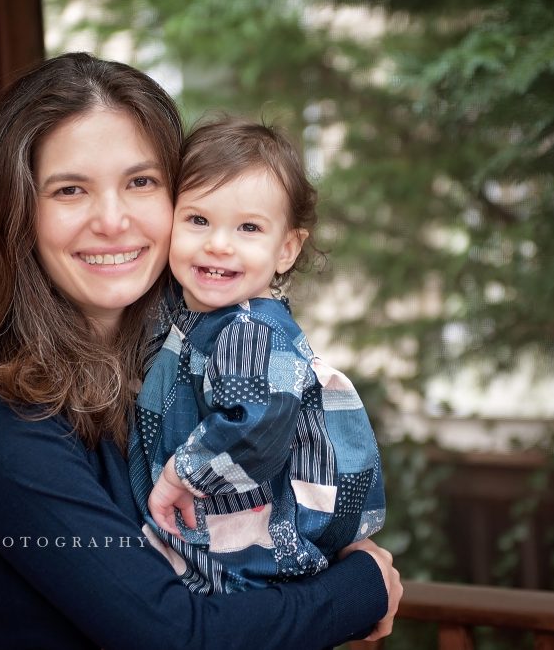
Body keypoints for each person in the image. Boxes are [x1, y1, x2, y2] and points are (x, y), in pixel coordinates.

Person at [0, 52, 402, 649]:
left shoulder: (184, 373)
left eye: (141, 182)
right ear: (15, 214)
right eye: (70, 190)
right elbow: (176, 636)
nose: (113, 221)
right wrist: (360, 587)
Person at [129, 117, 386, 595]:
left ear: (286, 248)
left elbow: (257, 422)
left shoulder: (249, 330)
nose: (218, 244)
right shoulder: (192, 312)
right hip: (216, 535)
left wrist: (180, 475)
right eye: (198, 220)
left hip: (253, 552)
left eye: (248, 227)